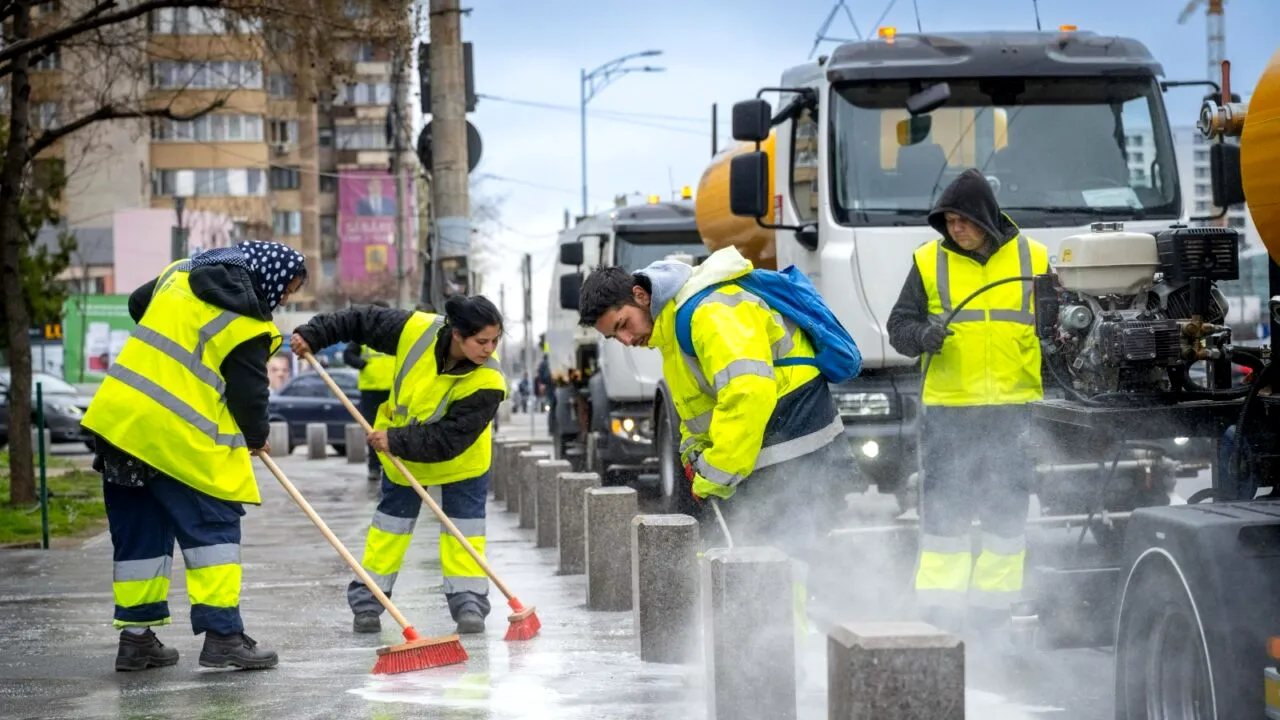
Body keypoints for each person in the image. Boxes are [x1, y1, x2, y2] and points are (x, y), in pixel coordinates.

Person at [81, 240, 307, 672]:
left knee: (139, 535)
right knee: (214, 526)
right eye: (287, 288)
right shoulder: (246, 324)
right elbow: (249, 398)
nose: (283, 298)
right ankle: (223, 637)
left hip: (119, 423)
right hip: (174, 435)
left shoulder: (179, 274)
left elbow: (136, 302)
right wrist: (257, 437)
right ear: (270, 275)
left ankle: (136, 641)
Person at [576, 246, 852, 585]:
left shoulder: (708, 311)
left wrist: (716, 472)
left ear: (640, 295)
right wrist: (695, 448)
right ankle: (780, 633)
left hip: (798, 445)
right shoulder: (673, 329)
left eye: (623, 325)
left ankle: (795, 635)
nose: (627, 339)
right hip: (774, 448)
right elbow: (703, 407)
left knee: (790, 566)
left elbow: (747, 392)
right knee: (772, 564)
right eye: (614, 336)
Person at [885, 168, 1049, 639]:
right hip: (950, 414)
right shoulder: (928, 261)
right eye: (948, 221)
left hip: (1011, 414)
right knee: (946, 520)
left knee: (1006, 518)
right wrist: (923, 336)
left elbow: (1056, 330)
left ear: (986, 219)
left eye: (963, 221)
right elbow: (900, 327)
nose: (954, 229)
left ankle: (993, 621)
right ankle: (940, 621)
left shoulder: (1032, 258)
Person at [289, 295, 506, 635]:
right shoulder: (415, 329)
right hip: (402, 460)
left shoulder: (490, 381)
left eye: (495, 341)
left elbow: (449, 439)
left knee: (463, 534)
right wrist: (314, 335)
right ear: (457, 334)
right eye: (482, 341)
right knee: (389, 530)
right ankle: (369, 602)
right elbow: (359, 318)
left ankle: (469, 604)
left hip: (461, 462)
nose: (489, 349)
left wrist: (395, 439)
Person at [343, 300, 395, 482]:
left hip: (393, 391)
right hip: (371, 390)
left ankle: (393, 467)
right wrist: (362, 364)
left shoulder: (396, 335)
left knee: (394, 431)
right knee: (373, 431)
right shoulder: (363, 336)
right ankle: (374, 467)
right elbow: (348, 355)